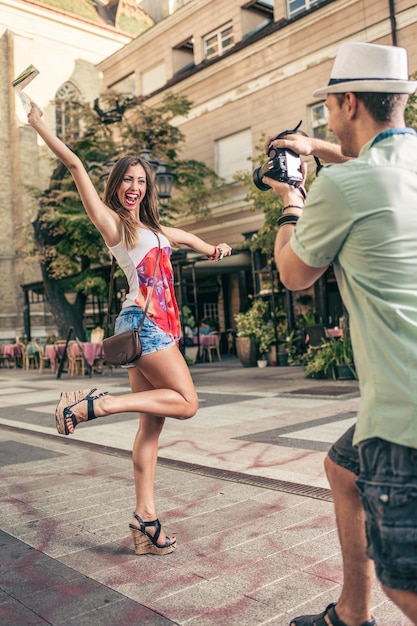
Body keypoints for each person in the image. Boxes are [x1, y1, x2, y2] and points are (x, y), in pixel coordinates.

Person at [27, 102, 232, 556]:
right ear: (116, 185)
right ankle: (95, 405)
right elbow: (76, 163)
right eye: (127, 180)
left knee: (151, 430)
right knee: (188, 403)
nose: (134, 187)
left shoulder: (154, 228)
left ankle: (146, 520)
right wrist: (40, 124)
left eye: (141, 181)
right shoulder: (115, 226)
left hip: (151, 329)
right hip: (147, 326)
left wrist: (213, 248)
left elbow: (187, 238)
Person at [264, 42, 417, 625]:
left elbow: (293, 275)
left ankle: (374, 604)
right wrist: (312, 149)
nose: (329, 120)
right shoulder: (390, 167)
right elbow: (371, 165)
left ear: (349, 101)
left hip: (404, 415)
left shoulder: (341, 188)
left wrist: (293, 197)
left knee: (408, 585)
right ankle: (352, 613)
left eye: (329, 109)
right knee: (341, 466)